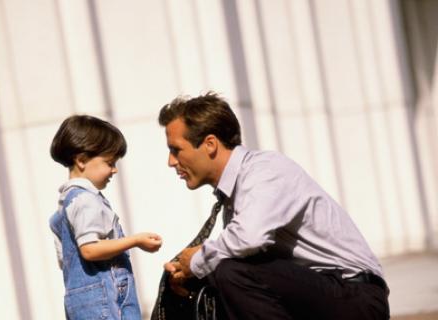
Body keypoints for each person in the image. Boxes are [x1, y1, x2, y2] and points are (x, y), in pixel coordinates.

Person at [158, 92, 390, 319]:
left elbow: (248, 238)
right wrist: (186, 274)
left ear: (210, 144)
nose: (171, 162)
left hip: (356, 296)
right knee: (221, 276)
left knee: (231, 272)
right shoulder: (236, 192)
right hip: (321, 292)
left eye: (176, 149)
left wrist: (197, 261)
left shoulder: (265, 171)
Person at [49, 115, 162, 320]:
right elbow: (90, 250)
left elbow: (65, 261)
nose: (114, 170)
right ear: (81, 160)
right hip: (103, 300)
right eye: (109, 162)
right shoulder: (85, 199)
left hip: (83, 301)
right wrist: (135, 241)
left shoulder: (65, 203)